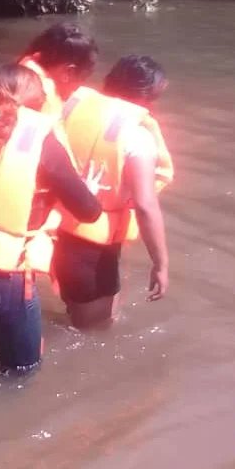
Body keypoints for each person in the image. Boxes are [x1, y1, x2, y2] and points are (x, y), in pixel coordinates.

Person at [0, 64, 103, 372]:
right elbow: (88, 212)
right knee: (24, 371)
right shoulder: (43, 141)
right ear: (38, 100)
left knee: (4, 347)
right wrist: (90, 189)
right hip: (5, 279)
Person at [54, 55, 173, 329]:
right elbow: (145, 205)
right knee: (95, 334)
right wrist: (161, 264)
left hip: (56, 233)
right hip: (91, 249)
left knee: (74, 316)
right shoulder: (137, 137)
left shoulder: (71, 107)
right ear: (147, 97)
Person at [19, 23, 98, 116]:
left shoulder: (18, 71)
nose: (78, 88)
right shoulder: (46, 101)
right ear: (69, 72)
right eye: (85, 76)